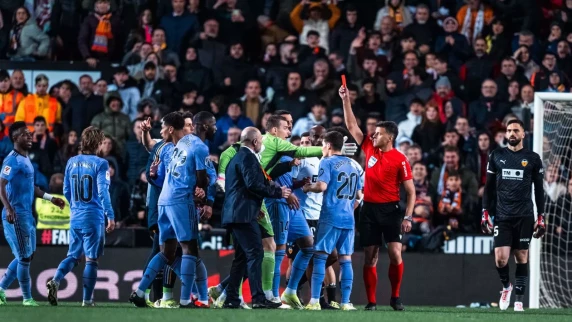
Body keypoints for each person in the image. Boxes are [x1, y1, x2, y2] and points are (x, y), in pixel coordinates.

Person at [340, 84, 416, 311]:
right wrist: (346, 100)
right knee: (370, 256)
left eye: (379, 133)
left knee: (395, 253)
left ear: (390, 137)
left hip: (391, 210)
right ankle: (372, 302)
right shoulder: (370, 148)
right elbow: (351, 125)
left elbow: (411, 191)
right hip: (369, 209)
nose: (373, 134)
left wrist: (408, 217)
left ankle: (395, 297)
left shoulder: (400, 159)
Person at [130, 112, 215, 308]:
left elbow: (154, 155)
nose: (160, 131)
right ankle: (187, 300)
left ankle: (141, 292)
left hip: (163, 202)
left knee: (166, 252)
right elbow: (203, 178)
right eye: (212, 124)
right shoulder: (197, 146)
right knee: (189, 250)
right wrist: (202, 191)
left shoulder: (171, 148)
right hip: (181, 201)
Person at [222, 127, 291, 309]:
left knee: (241, 257)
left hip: (235, 213)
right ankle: (259, 299)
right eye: (260, 141)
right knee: (256, 253)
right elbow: (253, 184)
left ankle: (231, 298)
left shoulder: (237, 157)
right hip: (243, 214)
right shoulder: (248, 157)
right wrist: (278, 192)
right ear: (254, 142)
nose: (262, 144)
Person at [46, 126, 115, 307]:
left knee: (74, 255)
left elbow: (66, 191)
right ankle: (87, 300)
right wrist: (111, 215)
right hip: (93, 216)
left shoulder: (71, 162)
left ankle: (56, 279)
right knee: (91, 259)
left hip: (75, 216)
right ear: (98, 143)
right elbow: (103, 192)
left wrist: (76, 206)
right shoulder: (101, 164)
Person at [482, 119, 545, 312]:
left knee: (521, 256)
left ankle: (518, 301)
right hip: (502, 214)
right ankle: (506, 286)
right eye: (509, 130)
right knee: (500, 258)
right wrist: (485, 212)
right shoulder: (496, 155)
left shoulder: (533, 158)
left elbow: (539, 191)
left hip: (525, 215)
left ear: (523, 134)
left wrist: (541, 216)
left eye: (515, 130)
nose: (511, 134)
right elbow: (488, 188)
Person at [0, 122, 65, 306]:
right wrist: (9, 208)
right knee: (24, 257)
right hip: (16, 215)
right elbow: (1, 185)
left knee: (27, 256)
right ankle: (27, 298)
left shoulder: (26, 159)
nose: (30, 137)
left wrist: (51, 198)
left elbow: (32, 187)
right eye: (25, 134)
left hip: (27, 214)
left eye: (30, 134)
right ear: (15, 138)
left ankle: (1, 289)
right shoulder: (12, 160)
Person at [303, 130, 363, 311]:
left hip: (330, 216)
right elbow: (359, 194)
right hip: (348, 219)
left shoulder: (326, 162)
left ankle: (314, 301)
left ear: (328, 145)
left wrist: (308, 188)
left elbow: (321, 186)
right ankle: (345, 302)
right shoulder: (353, 163)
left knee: (320, 257)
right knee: (345, 260)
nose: (321, 148)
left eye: (322, 145)